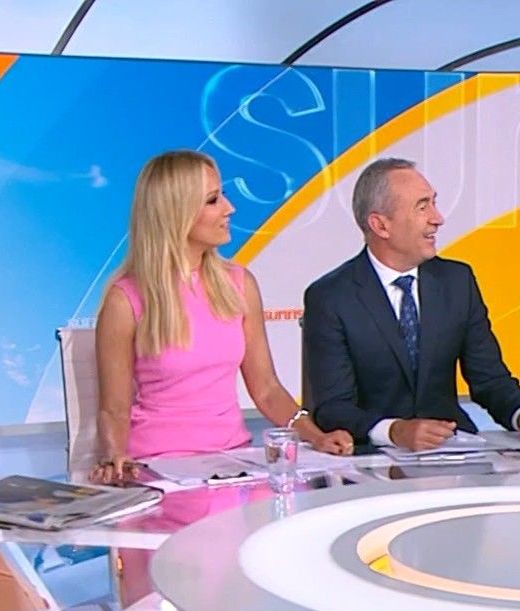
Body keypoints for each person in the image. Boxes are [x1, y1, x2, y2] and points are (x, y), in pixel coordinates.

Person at [91, 150, 351, 484]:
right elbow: (113, 408)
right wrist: (114, 455)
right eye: (213, 200)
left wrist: (316, 437)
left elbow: (267, 389)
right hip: (159, 467)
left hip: (234, 463)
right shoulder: (125, 299)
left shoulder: (239, 284)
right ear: (177, 212)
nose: (230, 208)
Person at [302, 157, 520, 452]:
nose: (438, 218)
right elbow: (332, 407)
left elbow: (489, 378)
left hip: (453, 450)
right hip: (372, 457)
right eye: (422, 207)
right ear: (380, 225)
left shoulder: (457, 281)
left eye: (434, 203)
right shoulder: (331, 297)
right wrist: (394, 431)